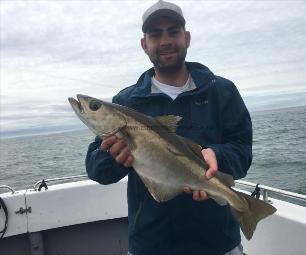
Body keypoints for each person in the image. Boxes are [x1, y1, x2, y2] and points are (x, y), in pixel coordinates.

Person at [86, 1, 252, 254]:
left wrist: (217, 156)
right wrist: (115, 158)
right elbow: (97, 171)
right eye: (155, 34)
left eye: (173, 31)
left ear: (186, 37)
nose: (165, 41)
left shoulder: (222, 91)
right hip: (151, 245)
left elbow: (243, 151)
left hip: (218, 244)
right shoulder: (126, 102)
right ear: (145, 44)